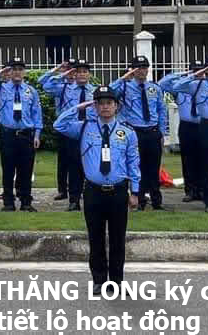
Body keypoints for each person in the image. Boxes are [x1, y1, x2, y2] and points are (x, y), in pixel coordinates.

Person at [55, 85, 139, 297]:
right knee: (96, 238)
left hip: (118, 191)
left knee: (118, 239)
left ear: (116, 106)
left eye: (109, 103)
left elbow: (133, 163)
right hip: (94, 191)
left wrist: (135, 191)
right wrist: (79, 107)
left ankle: (117, 282)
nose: (105, 107)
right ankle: (99, 281)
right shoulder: (84, 128)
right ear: (95, 106)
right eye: (100, 103)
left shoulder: (127, 132)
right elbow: (59, 125)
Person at [167, 55, 208, 212]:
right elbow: (174, 86)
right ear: (207, 70)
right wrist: (193, 74)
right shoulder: (197, 85)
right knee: (207, 165)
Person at [0, 57, 42, 212]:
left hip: (26, 134)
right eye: (14, 69)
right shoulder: (0, 89)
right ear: (9, 71)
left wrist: (37, 134)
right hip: (8, 134)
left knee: (26, 169)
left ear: (24, 72)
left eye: (20, 69)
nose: (17, 72)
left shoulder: (31, 91)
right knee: (8, 169)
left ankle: (26, 201)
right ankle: (8, 202)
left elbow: (37, 114)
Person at [110, 55, 169, 211]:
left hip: (152, 131)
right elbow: (109, 91)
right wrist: (123, 78)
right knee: (136, 166)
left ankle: (156, 200)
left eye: (144, 68)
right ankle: (139, 199)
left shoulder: (154, 88)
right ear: (133, 70)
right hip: (135, 132)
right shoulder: (124, 87)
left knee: (154, 167)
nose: (142, 71)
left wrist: (162, 132)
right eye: (138, 68)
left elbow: (161, 110)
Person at [38, 58, 95, 211]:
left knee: (90, 165)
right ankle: (74, 200)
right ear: (73, 73)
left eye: (85, 71)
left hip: (89, 133)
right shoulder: (65, 88)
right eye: (78, 71)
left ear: (89, 74)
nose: (82, 74)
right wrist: (63, 73)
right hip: (70, 132)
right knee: (73, 166)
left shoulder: (95, 91)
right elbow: (45, 84)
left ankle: (90, 197)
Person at [158, 60, 205, 203]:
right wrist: (184, 74)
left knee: (204, 159)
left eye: (200, 70)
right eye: (195, 70)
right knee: (187, 159)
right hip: (187, 126)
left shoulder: (207, 86)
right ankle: (190, 190)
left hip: (204, 125)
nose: (198, 74)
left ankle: (202, 190)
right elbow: (162, 83)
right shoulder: (180, 88)